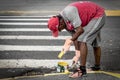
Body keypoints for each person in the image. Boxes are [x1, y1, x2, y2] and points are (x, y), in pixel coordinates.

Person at [48, 1, 106, 78]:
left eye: (59, 29)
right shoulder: (64, 23)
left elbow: (80, 30)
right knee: (95, 43)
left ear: (61, 23)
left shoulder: (69, 13)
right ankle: (97, 67)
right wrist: (77, 55)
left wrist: (69, 41)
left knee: (82, 40)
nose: (60, 31)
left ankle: (82, 71)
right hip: (91, 19)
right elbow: (75, 36)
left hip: (98, 15)